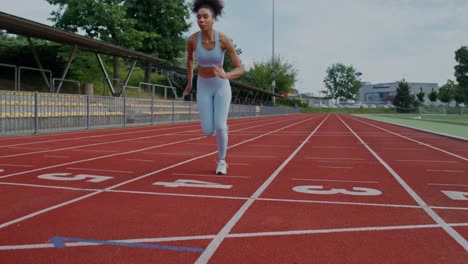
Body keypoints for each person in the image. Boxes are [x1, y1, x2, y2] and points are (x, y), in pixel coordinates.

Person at [183, 0, 244, 175]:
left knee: (220, 125)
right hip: (203, 85)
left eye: (205, 17)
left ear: (213, 19)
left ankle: (222, 161)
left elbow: (240, 68)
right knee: (208, 131)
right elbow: (189, 60)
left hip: (220, 85)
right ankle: (219, 147)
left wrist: (227, 75)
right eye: (198, 17)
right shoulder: (192, 40)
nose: (201, 20)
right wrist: (189, 82)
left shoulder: (223, 40)